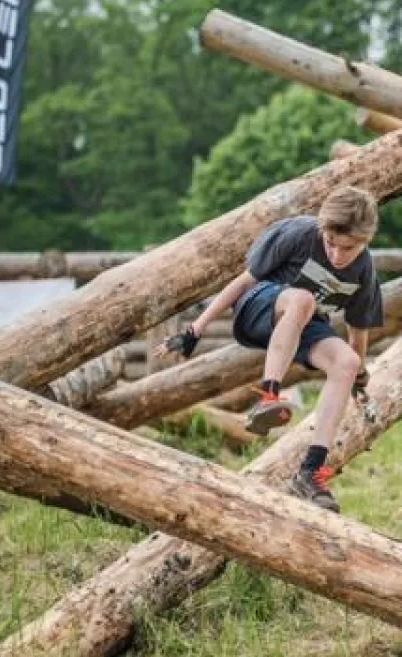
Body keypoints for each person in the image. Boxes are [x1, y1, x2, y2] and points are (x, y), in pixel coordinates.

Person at [156, 186, 383, 513]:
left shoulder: (364, 273)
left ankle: (310, 472)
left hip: (304, 324)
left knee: (345, 361)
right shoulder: (299, 234)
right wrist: (196, 330)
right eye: (330, 244)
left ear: (365, 240)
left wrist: (358, 380)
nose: (335, 255)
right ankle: (269, 396)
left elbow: (357, 334)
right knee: (303, 299)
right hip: (258, 308)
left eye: (346, 249)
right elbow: (243, 282)